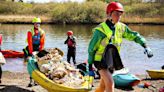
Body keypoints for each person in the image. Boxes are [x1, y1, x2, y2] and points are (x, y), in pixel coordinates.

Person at [88, 2, 153, 92]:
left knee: (103, 86)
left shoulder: (121, 27)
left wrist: (145, 46)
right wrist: (90, 66)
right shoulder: (100, 30)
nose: (118, 17)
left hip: (111, 61)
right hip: (100, 61)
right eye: (116, 14)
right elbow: (91, 49)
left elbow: (134, 36)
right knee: (110, 83)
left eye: (120, 15)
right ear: (108, 14)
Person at [23, 17, 45, 87]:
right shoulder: (30, 31)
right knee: (31, 65)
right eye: (36, 23)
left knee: (38, 65)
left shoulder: (42, 32)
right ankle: (30, 81)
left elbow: (42, 42)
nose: (37, 25)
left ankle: (36, 81)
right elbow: (29, 42)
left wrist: (40, 52)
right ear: (34, 24)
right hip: (30, 49)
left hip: (38, 49)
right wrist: (31, 52)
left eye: (38, 23)